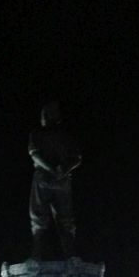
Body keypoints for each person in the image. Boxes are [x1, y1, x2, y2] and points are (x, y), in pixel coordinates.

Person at [28, 101, 82, 260]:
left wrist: (52, 170)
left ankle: (38, 256)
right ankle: (69, 255)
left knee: (39, 217)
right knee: (65, 219)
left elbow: (34, 154)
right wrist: (62, 170)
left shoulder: (38, 133)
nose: (43, 118)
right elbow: (77, 158)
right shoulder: (65, 135)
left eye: (45, 114)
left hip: (44, 179)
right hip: (61, 180)